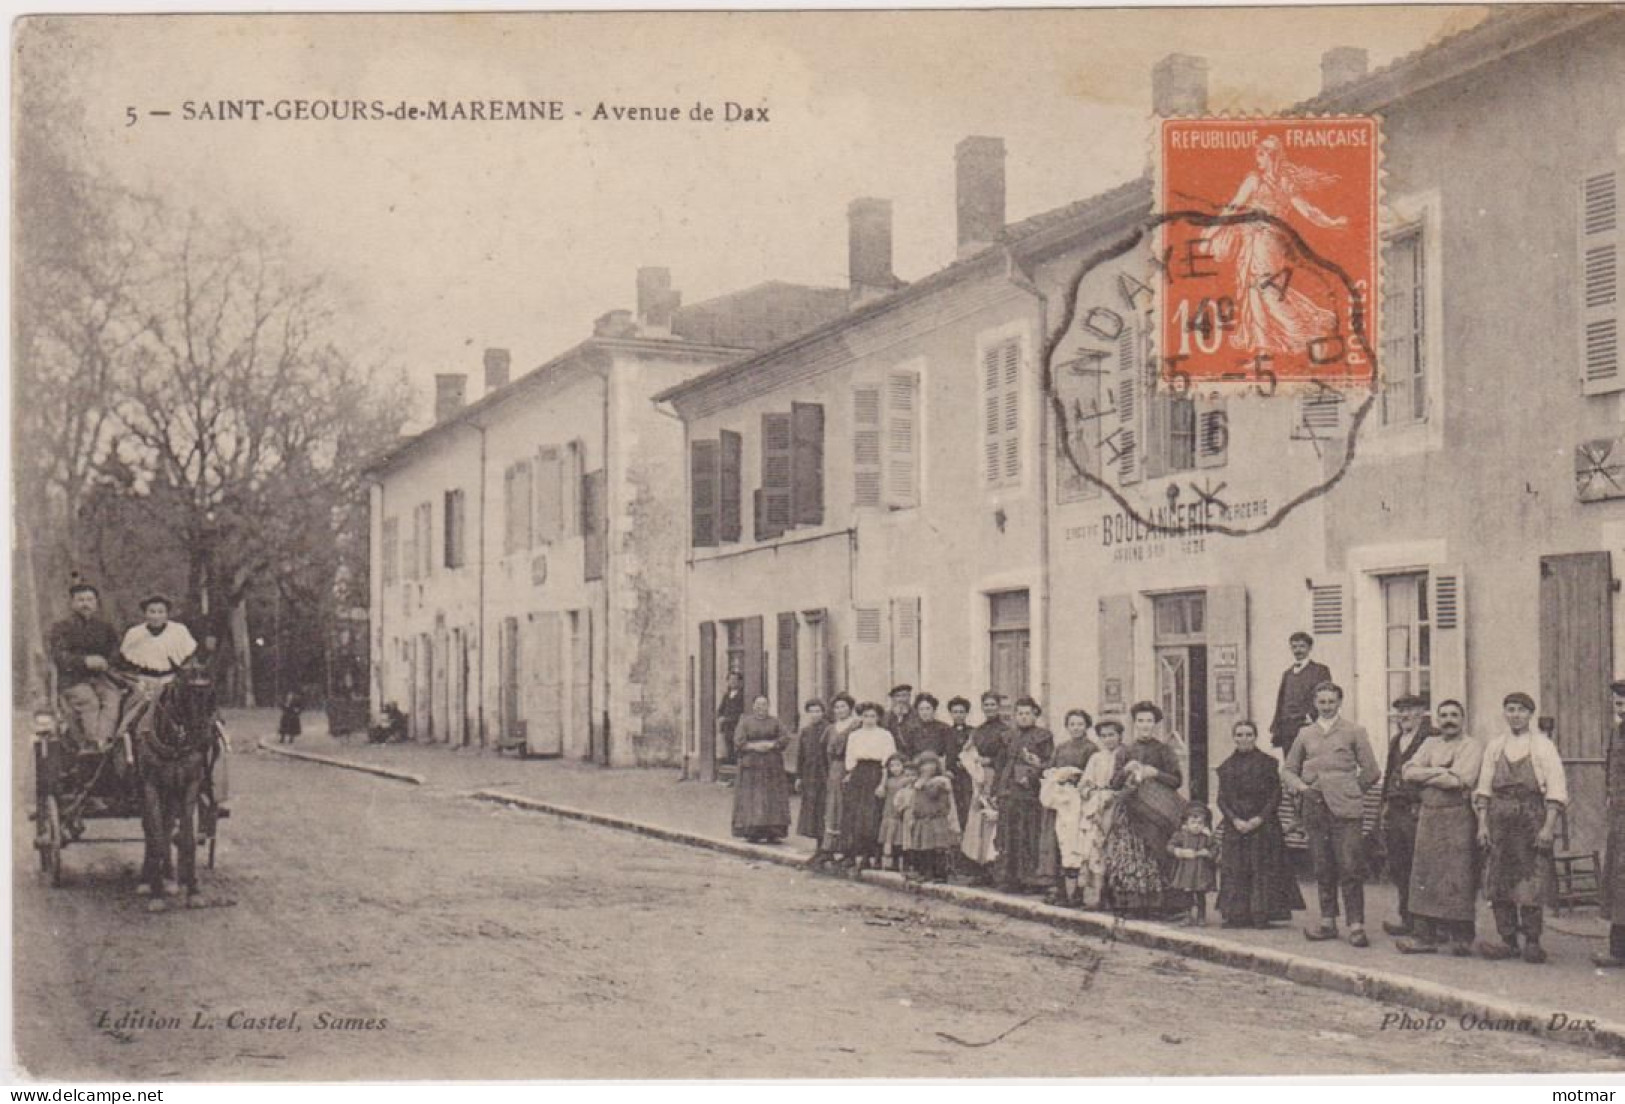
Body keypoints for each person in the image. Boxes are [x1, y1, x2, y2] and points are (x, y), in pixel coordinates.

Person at [1282, 681, 1379, 947]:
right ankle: (1327, 921)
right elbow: (1288, 769)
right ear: (1315, 703)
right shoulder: (1305, 734)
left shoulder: (1354, 731)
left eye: (1331, 701)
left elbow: (1371, 771)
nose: (1326, 706)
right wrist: (1302, 787)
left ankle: (1356, 925)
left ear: (1339, 702)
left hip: (1346, 810)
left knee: (1350, 866)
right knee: (1322, 865)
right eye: (1322, 701)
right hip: (1314, 807)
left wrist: (1349, 790)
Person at [1474, 691, 1567, 964]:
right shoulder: (1495, 746)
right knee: (1498, 880)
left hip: (1531, 818)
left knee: (1531, 882)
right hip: (1499, 819)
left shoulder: (1543, 746)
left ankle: (1532, 942)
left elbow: (1556, 789)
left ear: (1530, 714)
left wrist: (1548, 827)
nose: (1515, 715)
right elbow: (1484, 787)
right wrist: (1482, 824)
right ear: (1504, 713)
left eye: (1520, 710)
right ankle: (1507, 940)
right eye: (1510, 709)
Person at [1395, 700, 1483, 957]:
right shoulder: (1430, 743)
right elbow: (1407, 771)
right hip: (1429, 816)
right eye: (1443, 715)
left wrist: (1429, 774)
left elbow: (1461, 779)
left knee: (1457, 876)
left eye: (1454, 715)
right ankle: (1425, 936)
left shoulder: (1471, 746)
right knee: (1424, 875)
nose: (1448, 720)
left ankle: (1461, 937)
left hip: (1458, 817)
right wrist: (1441, 773)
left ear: (1462, 718)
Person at [1216, 720, 1304, 929]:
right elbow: (1221, 799)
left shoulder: (1268, 763)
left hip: (1264, 826)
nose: (1243, 739)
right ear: (1234, 737)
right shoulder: (1226, 766)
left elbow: (1275, 795)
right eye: (1239, 735)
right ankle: (1236, 914)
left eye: (1248, 734)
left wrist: (1259, 819)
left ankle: (1261, 913)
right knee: (1236, 868)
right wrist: (1235, 820)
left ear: (1255, 737)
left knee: (1262, 868)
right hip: (1236, 826)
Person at [1107, 702, 1185, 917]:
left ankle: (1161, 906)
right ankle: (1134, 904)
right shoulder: (1125, 751)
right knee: (1133, 856)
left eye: (1149, 721)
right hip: (1131, 810)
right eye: (1140, 721)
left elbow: (1177, 780)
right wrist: (1125, 771)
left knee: (1158, 854)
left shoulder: (1164, 750)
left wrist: (1155, 773)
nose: (1145, 725)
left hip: (1158, 812)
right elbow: (1113, 783)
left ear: (1156, 724)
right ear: (1134, 723)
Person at [1380, 693, 1436, 937]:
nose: (1404, 715)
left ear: (1421, 713)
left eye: (1410, 710)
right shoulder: (1396, 740)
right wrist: (1384, 804)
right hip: (1396, 810)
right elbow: (1390, 772)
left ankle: (1430, 924)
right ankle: (1407, 918)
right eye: (1400, 711)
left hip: (1418, 809)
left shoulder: (1432, 738)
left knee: (1423, 867)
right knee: (1399, 866)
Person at [46, 582, 121, 751]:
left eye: (90, 600)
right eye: (81, 600)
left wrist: (106, 661)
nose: (85, 604)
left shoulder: (104, 628)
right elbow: (59, 656)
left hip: (101, 678)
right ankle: (92, 745)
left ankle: (104, 741)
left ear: (96, 603)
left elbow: (115, 651)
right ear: (72, 603)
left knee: (112, 698)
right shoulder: (61, 628)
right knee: (89, 701)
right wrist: (85, 661)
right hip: (73, 680)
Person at [993, 697, 1055, 894]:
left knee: (1028, 835)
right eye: (1020, 713)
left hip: (1030, 794)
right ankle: (1009, 878)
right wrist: (996, 790)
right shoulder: (1007, 736)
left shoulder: (1043, 736)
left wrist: (1033, 775)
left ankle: (1029, 879)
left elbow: (1048, 764)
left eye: (1028, 713)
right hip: (1008, 791)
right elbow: (1000, 765)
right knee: (1007, 835)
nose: (1023, 717)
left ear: (1035, 715)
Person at [117, 595, 200, 741]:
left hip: (171, 679)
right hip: (144, 681)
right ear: (145, 614)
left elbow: (189, 657)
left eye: (161, 612)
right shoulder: (135, 633)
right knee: (136, 705)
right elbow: (126, 662)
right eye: (152, 612)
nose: (156, 616)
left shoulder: (179, 631)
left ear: (167, 614)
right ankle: (127, 735)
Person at [1038, 709, 1096, 901]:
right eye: (1072, 724)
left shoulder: (1091, 749)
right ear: (1067, 726)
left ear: (1086, 726)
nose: (1076, 728)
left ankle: (1078, 891)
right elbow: (1050, 768)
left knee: (1077, 844)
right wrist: (1056, 776)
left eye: (1080, 724)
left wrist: (1076, 778)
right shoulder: (1061, 748)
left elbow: (1091, 775)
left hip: (1079, 800)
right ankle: (1060, 889)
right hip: (1061, 799)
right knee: (1058, 842)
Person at [840, 702, 896, 871]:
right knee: (857, 816)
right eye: (865, 716)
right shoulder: (854, 736)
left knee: (874, 816)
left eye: (872, 716)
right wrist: (850, 774)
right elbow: (850, 759)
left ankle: (874, 856)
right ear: (861, 717)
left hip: (876, 773)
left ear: (878, 718)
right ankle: (857, 854)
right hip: (859, 774)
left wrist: (882, 783)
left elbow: (888, 760)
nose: (869, 719)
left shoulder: (885, 735)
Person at [730, 695, 791, 843]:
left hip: (772, 766)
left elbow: (784, 738)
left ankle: (773, 831)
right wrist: (753, 746)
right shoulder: (745, 722)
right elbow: (738, 741)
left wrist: (772, 745)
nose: (761, 707)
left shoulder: (775, 722)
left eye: (764, 704)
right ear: (753, 706)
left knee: (772, 797)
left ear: (768, 706)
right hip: (752, 766)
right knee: (753, 797)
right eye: (758, 704)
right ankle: (753, 831)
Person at [1595, 681, 1625, 969]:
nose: (1622, 709)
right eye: (1617, 704)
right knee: (1618, 886)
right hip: (1620, 821)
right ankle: (1618, 950)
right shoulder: (1615, 733)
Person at [1269, 632, 1333, 752]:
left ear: (1310, 648)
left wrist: (1311, 716)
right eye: (1294, 647)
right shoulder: (1287, 674)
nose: (1298, 650)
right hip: (1288, 729)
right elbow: (1280, 703)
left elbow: (1327, 697)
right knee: (1291, 765)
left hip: (1309, 726)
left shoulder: (1320, 670)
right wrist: (1277, 728)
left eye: (1302, 646)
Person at [907, 752, 960, 884]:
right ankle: (926, 872)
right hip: (922, 818)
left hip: (936, 818)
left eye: (932, 764)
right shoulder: (916, 783)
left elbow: (937, 797)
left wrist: (928, 784)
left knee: (938, 847)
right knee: (924, 848)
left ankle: (940, 874)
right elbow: (915, 801)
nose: (928, 768)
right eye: (925, 765)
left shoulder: (941, 782)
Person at [821, 694, 861, 866]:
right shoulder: (831, 728)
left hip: (850, 768)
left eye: (843, 706)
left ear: (850, 708)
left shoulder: (856, 725)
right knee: (833, 806)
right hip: (835, 769)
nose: (840, 710)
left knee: (848, 806)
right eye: (836, 707)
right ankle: (830, 847)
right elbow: (824, 751)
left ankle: (848, 849)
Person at [795, 699, 833, 864]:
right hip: (810, 775)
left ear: (823, 712)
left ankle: (827, 848)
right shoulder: (805, 731)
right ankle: (819, 846)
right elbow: (801, 756)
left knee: (825, 810)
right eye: (812, 711)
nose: (815, 714)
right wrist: (799, 776)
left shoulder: (829, 729)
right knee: (813, 812)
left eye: (818, 711)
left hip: (825, 774)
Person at [1168, 803, 1218, 926]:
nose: (1196, 826)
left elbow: (1214, 848)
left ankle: (1201, 916)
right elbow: (1170, 846)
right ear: (1186, 823)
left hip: (1201, 871)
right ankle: (1187, 915)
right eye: (1193, 823)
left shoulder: (1206, 837)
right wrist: (1178, 851)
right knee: (1186, 894)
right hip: (1186, 870)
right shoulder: (1181, 835)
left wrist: (1207, 852)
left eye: (1200, 823)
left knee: (1200, 894)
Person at [959, 745, 999, 882]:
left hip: (993, 802)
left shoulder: (993, 771)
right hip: (980, 802)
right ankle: (980, 869)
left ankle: (991, 869)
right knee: (977, 836)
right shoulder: (977, 772)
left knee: (991, 837)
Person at [945, 696, 977, 833]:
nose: (958, 715)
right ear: (951, 714)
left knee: (968, 805)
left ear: (966, 713)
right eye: (955, 712)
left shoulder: (973, 732)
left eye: (961, 712)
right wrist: (946, 769)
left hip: (968, 775)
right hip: (951, 775)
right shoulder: (946, 732)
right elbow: (942, 754)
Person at [878, 754, 914, 873]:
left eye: (898, 765)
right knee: (891, 837)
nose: (895, 768)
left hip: (900, 812)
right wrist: (883, 778)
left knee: (901, 838)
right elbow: (881, 794)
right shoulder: (888, 781)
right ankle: (892, 862)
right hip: (889, 810)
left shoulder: (906, 779)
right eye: (892, 766)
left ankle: (903, 862)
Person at [909, 694, 954, 759]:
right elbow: (909, 753)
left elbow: (950, 753)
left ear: (934, 709)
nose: (924, 712)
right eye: (921, 709)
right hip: (917, 765)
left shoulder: (944, 728)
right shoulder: (912, 730)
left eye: (928, 709)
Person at [717, 672, 746, 767]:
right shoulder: (726, 695)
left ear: (740, 682)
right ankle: (729, 767)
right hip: (727, 726)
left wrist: (727, 719)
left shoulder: (742, 696)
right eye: (730, 680)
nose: (732, 682)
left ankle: (737, 767)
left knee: (737, 746)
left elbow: (741, 712)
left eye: (735, 680)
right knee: (728, 745)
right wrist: (720, 717)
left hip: (737, 725)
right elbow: (720, 709)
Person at [974, 691, 1011, 759]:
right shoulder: (978, 730)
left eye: (992, 704)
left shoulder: (1006, 730)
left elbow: (1007, 757)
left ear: (998, 706)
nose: (989, 708)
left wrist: (990, 761)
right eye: (986, 705)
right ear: (982, 707)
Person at [887, 685, 917, 756]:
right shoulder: (886, 716)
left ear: (909, 697)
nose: (901, 699)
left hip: (913, 756)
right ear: (893, 699)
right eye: (897, 696)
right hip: (893, 757)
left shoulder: (917, 715)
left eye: (904, 695)